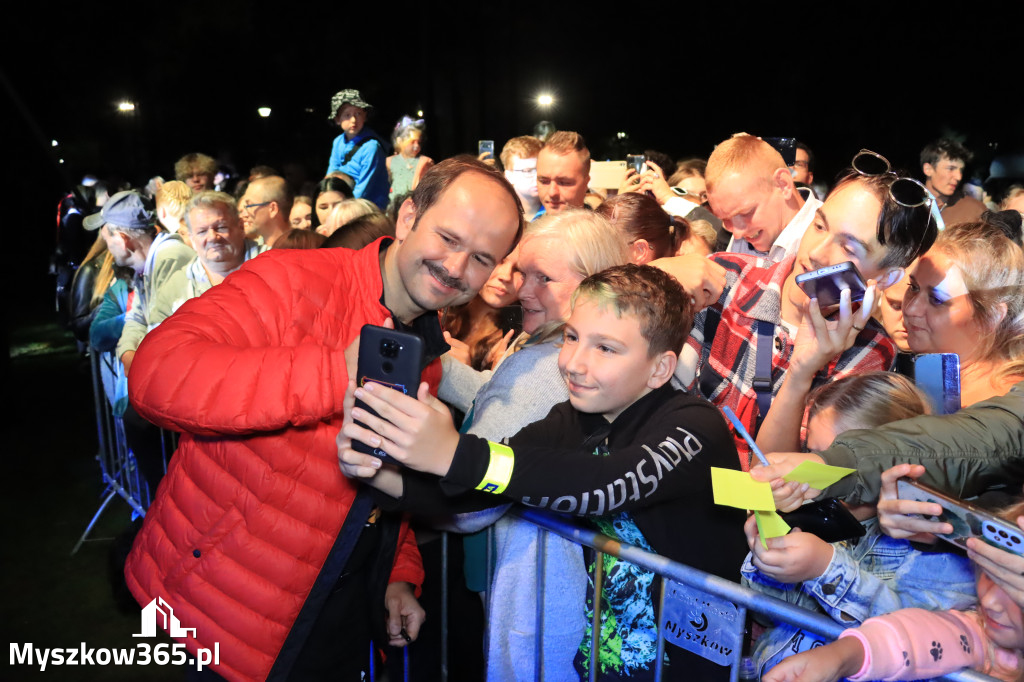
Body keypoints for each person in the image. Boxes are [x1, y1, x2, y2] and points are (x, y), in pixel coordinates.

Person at [123, 157, 524, 682]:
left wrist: (398, 574)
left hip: (331, 621)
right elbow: (156, 372)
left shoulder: (421, 349)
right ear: (407, 219)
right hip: (213, 617)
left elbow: (370, 479)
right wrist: (334, 372)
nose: (456, 267)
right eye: (447, 238)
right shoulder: (291, 280)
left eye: (480, 258)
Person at [340, 264, 746, 681]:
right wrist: (378, 468)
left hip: (697, 665)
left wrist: (453, 454)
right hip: (605, 665)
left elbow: (605, 485)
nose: (573, 362)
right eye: (571, 337)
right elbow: (475, 492)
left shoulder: (695, 425)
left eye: (605, 348)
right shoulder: (572, 418)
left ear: (660, 369)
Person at [679, 149, 939, 468]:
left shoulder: (869, 353)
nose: (816, 252)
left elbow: (775, 480)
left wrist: (801, 373)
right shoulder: (725, 277)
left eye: (848, 247)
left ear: (887, 277)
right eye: (819, 226)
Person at [742, 373, 977, 678]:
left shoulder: (938, 543)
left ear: (889, 461)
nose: (813, 476)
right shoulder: (817, 516)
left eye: (837, 463)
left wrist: (824, 568)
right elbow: (767, 614)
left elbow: (916, 641)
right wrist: (768, 560)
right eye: (813, 456)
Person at [762, 501, 1024, 682]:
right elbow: (912, 635)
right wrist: (841, 657)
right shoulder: (980, 633)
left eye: (1017, 593)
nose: (990, 601)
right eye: (990, 575)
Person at [902, 211, 1024, 406]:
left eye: (936, 299)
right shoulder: (925, 371)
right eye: (914, 288)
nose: (911, 309)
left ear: (991, 317)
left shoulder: (995, 408)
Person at [146, 191, 264, 328]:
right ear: (191, 239)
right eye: (202, 231)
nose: (213, 237)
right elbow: (159, 340)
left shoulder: (274, 266)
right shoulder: (176, 288)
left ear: (241, 227)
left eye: (221, 227)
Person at [704, 133, 822, 264]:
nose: (737, 234)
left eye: (745, 213)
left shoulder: (828, 239)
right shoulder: (748, 231)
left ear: (783, 185)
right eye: (726, 220)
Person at [326, 89, 389, 209]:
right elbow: (331, 173)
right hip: (344, 199)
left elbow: (365, 185)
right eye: (347, 115)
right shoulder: (338, 142)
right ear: (337, 119)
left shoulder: (371, 147)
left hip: (370, 205)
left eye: (358, 114)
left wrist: (347, 208)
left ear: (365, 116)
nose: (353, 120)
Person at [921, 138, 986, 224]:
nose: (958, 177)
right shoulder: (908, 206)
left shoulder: (974, 210)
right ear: (928, 169)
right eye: (951, 168)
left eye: (961, 170)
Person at [536, 130, 590, 215]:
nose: (552, 192)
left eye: (564, 183)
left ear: (586, 183)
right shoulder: (530, 227)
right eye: (544, 181)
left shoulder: (603, 228)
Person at [387, 116, 434, 203]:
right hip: (393, 208)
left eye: (418, 142)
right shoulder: (389, 162)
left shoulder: (425, 162)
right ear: (400, 141)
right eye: (412, 142)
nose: (416, 146)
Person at [238, 175, 293, 248]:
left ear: (273, 209)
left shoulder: (300, 250)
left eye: (250, 206)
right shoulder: (250, 252)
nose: (243, 215)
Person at [500, 135, 543, 221]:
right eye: (527, 171)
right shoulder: (499, 213)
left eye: (541, 169)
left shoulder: (557, 210)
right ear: (509, 176)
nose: (537, 177)